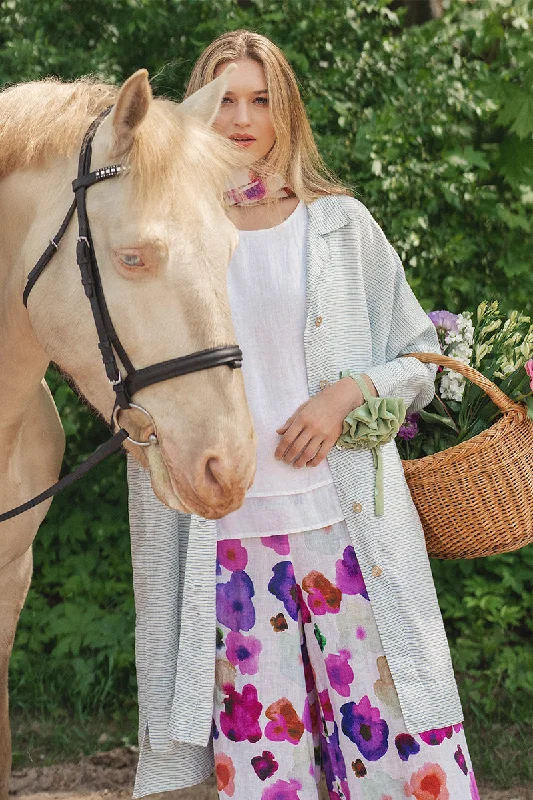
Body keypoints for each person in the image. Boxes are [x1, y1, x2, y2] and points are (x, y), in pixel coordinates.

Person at [126, 29, 480, 800]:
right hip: (225, 550)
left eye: (261, 99)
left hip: (346, 534)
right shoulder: (166, 235)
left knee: (403, 766)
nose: (242, 118)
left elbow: (422, 359)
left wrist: (345, 393)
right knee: (269, 777)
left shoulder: (337, 226)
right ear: (196, 113)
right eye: (224, 100)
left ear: (286, 112)